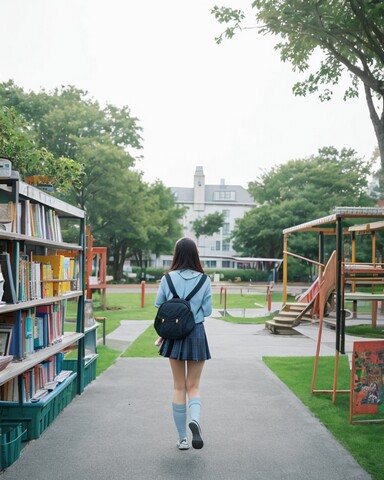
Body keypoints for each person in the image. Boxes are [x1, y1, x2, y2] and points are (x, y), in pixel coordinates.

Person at [155, 237, 212, 451]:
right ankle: (195, 420)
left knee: (178, 386)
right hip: (196, 332)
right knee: (193, 386)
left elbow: (158, 304)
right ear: (195, 254)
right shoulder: (204, 280)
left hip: (174, 335)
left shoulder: (167, 278)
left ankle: (182, 439)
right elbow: (207, 311)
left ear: (176, 254)